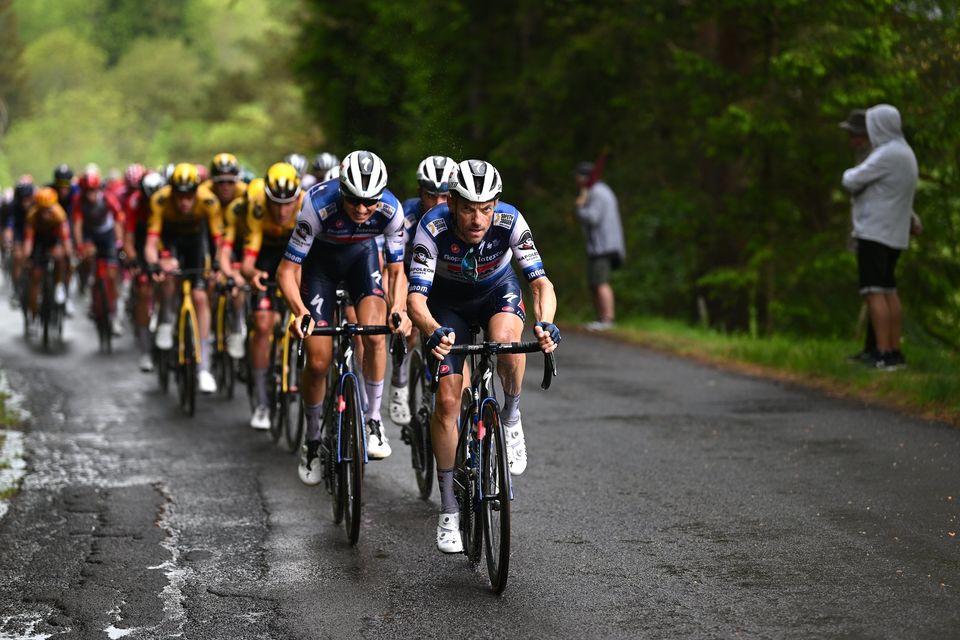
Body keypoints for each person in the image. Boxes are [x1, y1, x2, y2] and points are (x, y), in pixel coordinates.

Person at [407, 159, 560, 553]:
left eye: (486, 208)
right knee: (446, 400)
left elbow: (540, 283)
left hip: (496, 291)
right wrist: (431, 329)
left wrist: (545, 323)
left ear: (496, 204)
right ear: (453, 203)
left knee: (508, 344)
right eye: (470, 208)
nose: (478, 219)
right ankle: (448, 510)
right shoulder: (433, 227)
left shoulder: (510, 221)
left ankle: (510, 416)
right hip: (447, 303)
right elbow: (415, 299)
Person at [277, 150, 410, 485]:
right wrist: (300, 311)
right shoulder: (316, 203)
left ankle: (373, 421)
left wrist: (399, 308)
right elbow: (287, 270)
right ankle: (311, 440)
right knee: (319, 361)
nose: (363, 209)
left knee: (376, 335)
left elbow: (396, 271)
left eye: (370, 202)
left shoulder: (392, 210)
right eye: (354, 201)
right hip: (320, 265)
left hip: (362, 261)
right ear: (341, 190)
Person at [222, 162, 304, 430]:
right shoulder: (257, 205)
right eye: (276, 203)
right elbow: (247, 263)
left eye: (288, 203)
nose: (282, 210)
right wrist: (252, 275)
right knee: (263, 325)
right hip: (266, 256)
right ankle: (260, 399)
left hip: (295, 252)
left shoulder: (306, 205)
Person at [841, 104, 918, 370]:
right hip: (895, 232)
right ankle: (894, 350)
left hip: (875, 231)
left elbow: (851, 179)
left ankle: (883, 353)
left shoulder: (886, 154)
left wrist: (848, 174)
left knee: (873, 292)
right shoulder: (907, 153)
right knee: (889, 291)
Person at [388, 155, 458, 426]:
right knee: (412, 327)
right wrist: (399, 304)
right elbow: (390, 265)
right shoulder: (406, 215)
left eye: (445, 197)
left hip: (442, 276)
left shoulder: (460, 216)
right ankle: (400, 377)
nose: (439, 204)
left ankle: (435, 379)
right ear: (420, 193)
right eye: (432, 196)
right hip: (408, 273)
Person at [145, 163, 224, 393]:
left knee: (200, 297)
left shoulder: (208, 201)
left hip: (195, 244)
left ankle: (204, 369)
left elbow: (219, 241)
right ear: (172, 192)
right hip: (169, 242)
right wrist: (154, 263)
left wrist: (218, 263)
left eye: (189, 196)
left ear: (196, 193)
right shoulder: (160, 200)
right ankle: (166, 320)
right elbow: (151, 243)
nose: (184, 202)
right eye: (179, 196)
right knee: (168, 276)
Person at [71, 166, 125, 335]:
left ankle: (115, 315)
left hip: (107, 234)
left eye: (93, 191)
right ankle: (89, 285)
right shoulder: (79, 201)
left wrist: (119, 242)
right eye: (87, 191)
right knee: (88, 255)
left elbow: (118, 219)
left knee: (112, 273)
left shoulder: (108, 199)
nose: (91, 195)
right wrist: (80, 245)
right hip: (90, 234)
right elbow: (78, 225)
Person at [574, 161, 624, 331]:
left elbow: (593, 217)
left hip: (603, 246)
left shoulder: (597, 192)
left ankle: (607, 319)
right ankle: (602, 319)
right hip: (603, 245)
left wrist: (580, 207)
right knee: (595, 282)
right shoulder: (601, 190)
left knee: (601, 282)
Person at [23, 187, 72, 322]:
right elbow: (29, 241)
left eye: (48, 210)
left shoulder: (59, 215)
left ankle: (59, 286)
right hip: (39, 240)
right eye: (42, 210)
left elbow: (66, 239)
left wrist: (67, 254)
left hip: (54, 238)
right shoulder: (32, 216)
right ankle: (33, 313)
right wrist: (27, 258)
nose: (46, 214)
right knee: (36, 275)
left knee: (61, 257)